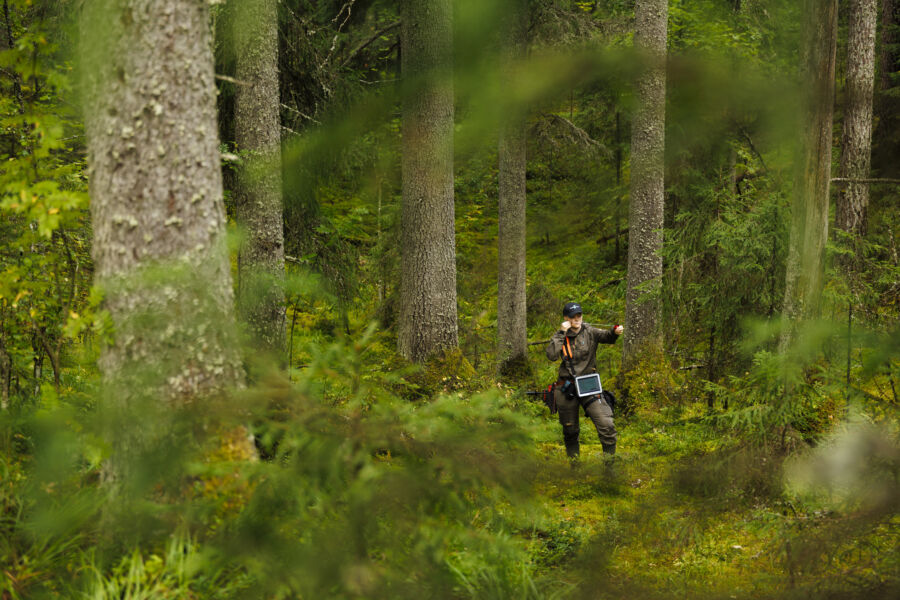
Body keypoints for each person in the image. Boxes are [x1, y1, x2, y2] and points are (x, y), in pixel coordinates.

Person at [545, 302, 624, 458]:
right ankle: (575, 467)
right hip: (567, 388)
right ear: (566, 318)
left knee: (606, 424)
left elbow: (607, 337)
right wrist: (562, 332)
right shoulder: (561, 335)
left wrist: (615, 332)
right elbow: (552, 355)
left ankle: (610, 466)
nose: (576, 318)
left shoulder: (590, 331)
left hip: (589, 386)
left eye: (579, 315)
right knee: (570, 430)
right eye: (572, 316)